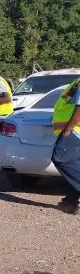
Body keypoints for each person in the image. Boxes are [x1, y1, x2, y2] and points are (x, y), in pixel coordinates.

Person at [51, 78, 80, 214]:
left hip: (74, 130)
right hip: (74, 130)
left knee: (60, 158)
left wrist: (68, 129)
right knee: (74, 165)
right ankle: (70, 202)